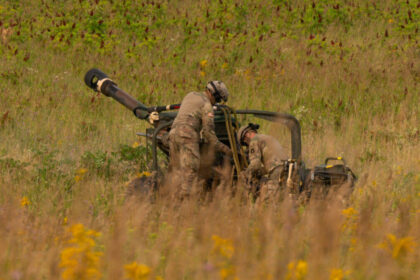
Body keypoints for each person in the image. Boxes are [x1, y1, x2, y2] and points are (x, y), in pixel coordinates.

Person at [168, 81, 232, 199]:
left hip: (173, 134)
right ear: (214, 95)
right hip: (187, 136)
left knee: (177, 171)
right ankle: (184, 205)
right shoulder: (207, 106)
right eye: (218, 100)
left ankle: (172, 201)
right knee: (190, 172)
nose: (216, 103)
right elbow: (209, 134)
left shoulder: (190, 95)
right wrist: (224, 148)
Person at [237, 123, 288, 201]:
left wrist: (246, 174)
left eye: (244, 143)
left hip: (276, 171)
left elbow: (255, 164)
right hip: (287, 168)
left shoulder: (254, 141)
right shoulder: (267, 137)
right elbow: (272, 162)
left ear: (246, 136)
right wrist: (261, 172)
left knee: (269, 201)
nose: (246, 144)